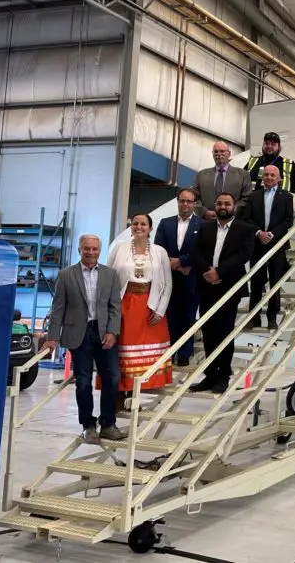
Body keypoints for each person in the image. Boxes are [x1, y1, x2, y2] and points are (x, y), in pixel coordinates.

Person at [43, 234, 125, 444]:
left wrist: (112, 332)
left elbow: (115, 307)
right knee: (83, 382)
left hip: (103, 333)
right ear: (80, 250)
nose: (90, 252)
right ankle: (88, 426)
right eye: (86, 248)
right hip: (78, 335)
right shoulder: (66, 275)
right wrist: (52, 337)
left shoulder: (110, 275)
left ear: (100, 251)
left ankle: (108, 424)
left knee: (112, 377)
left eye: (95, 249)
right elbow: (58, 308)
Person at [189, 192, 255, 393]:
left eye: (227, 203)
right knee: (208, 332)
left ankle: (224, 375)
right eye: (219, 203)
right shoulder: (205, 227)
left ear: (234, 207)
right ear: (215, 206)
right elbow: (195, 252)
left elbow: (244, 254)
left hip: (229, 286)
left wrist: (219, 271)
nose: (223, 206)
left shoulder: (244, 229)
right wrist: (207, 272)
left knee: (224, 332)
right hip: (207, 284)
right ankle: (210, 375)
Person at [106, 214, 174, 394]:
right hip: (124, 305)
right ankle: (121, 392)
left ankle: (141, 389)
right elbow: (108, 277)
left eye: (143, 224)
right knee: (123, 350)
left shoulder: (160, 251)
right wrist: (109, 307)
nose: (139, 227)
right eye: (135, 223)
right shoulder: (119, 248)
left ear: (150, 228)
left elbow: (167, 284)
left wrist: (160, 310)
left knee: (145, 352)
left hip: (149, 306)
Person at [154, 188, 203, 367]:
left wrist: (182, 262)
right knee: (170, 316)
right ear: (177, 201)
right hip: (168, 278)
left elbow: (201, 251)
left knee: (188, 316)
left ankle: (184, 354)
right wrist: (171, 263)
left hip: (191, 278)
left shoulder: (202, 225)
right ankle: (170, 351)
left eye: (189, 201)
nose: (185, 204)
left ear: (195, 203)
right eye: (182, 201)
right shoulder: (165, 223)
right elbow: (158, 248)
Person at [243, 164, 294, 330]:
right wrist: (259, 233)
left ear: (279, 178)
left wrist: (271, 234)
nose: (269, 178)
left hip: (276, 243)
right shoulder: (254, 196)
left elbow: (288, 220)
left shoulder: (286, 196)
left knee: (275, 281)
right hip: (257, 243)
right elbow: (247, 218)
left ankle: (272, 318)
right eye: (266, 175)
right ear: (262, 177)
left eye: (273, 175)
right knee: (256, 281)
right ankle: (254, 317)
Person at [192, 140, 252, 220]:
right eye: (216, 152)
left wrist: (230, 212)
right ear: (212, 154)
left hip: (232, 222)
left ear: (229, 154)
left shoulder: (243, 175)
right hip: (206, 222)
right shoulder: (201, 175)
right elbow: (194, 198)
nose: (219, 154)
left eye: (222, 151)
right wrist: (204, 212)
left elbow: (246, 199)